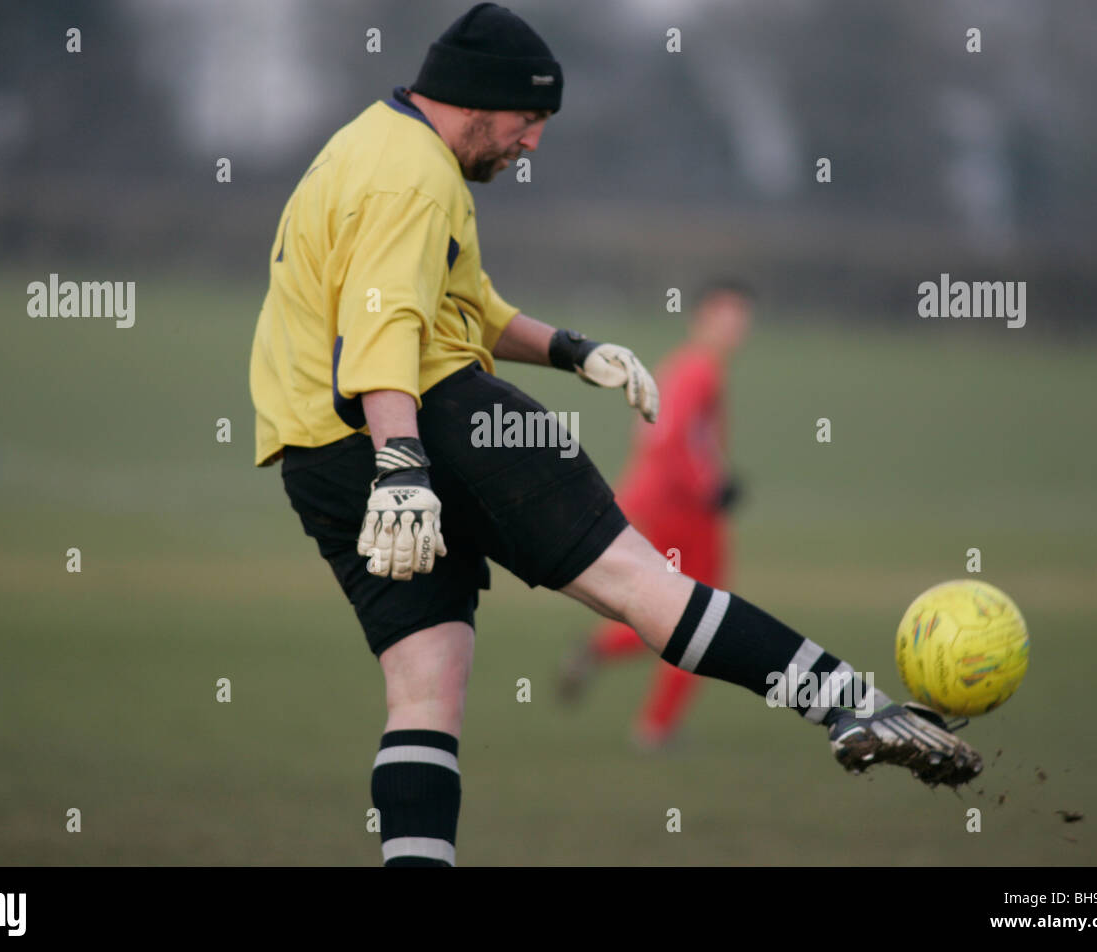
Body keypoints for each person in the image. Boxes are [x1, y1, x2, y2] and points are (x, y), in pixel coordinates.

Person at [249, 2, 982, 867]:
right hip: (429, 421)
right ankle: (850, 703)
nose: (530, 147)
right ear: (479, 99)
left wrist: (570, 350)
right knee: (639, 579)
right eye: (528, 123)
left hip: (316, 455)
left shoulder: (371, 144)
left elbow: (463, 306)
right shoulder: (415, 176)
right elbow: (384, 334)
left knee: (424, 690)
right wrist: (405, 464)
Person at [559, 282, 753, 749]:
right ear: (701, 317)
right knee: (708, 616)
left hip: (654, 502)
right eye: (725, 315)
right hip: (681, 509)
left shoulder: (685, 366)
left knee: (671, 606)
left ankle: (599, 650)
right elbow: (668, 439)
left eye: (741, 317)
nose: (735, 327)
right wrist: (713, 486)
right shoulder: (698, 371)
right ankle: (657, 726)